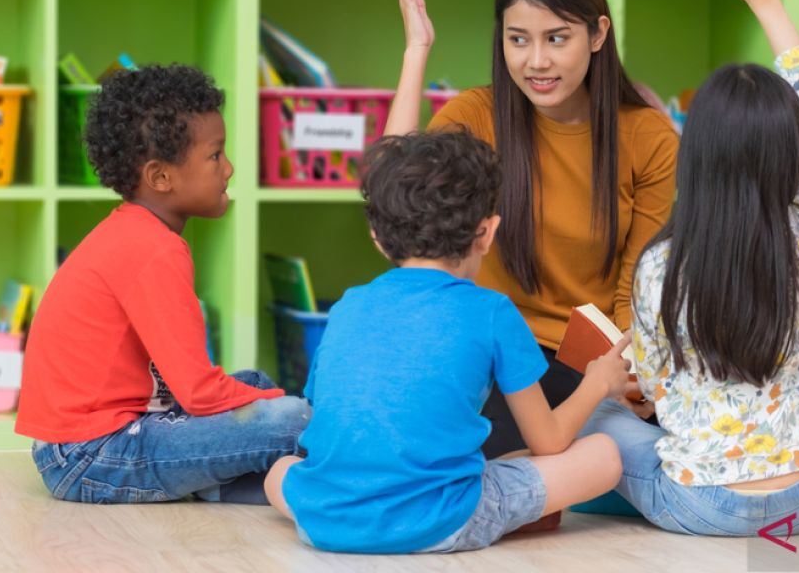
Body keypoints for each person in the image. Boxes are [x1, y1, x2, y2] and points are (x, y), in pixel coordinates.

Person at [579, 0, 799, 536]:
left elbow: (650, 385)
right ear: (791, 153)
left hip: (701, 503)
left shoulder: (659, 265)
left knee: (593, 424)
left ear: (695, 151)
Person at [264, 130, 629, 553]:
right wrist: (598, 383)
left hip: (325, 521)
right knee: (604, 454)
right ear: (487, 232)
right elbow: (549, 441)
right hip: (441, 521)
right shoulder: (492, 310)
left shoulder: (348, 304)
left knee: (282, 470)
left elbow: (324, 417)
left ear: (377, 237)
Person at [377, 0, 678, 456]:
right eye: (518, 40)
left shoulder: (647, 137)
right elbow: (394, 203)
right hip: (485, 352)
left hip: (585, 367)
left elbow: (638, 293)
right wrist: (416, 50)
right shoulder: (476, 115)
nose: (536, 61)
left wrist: (633, 375)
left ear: (598, 34)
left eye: (556, 39)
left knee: (642, 455)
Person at [17, 65, 309, 503]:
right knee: (294, 417)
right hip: (90, 455)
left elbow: (189, 388)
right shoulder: (155, 249)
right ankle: (292, 481)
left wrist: (261, 395)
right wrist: (282, 402)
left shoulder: (135, 232)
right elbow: (199, 391)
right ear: (160, 177)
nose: (228, 169)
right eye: (215, 156)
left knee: (253, 381)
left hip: (82, 444)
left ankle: (224, 486)